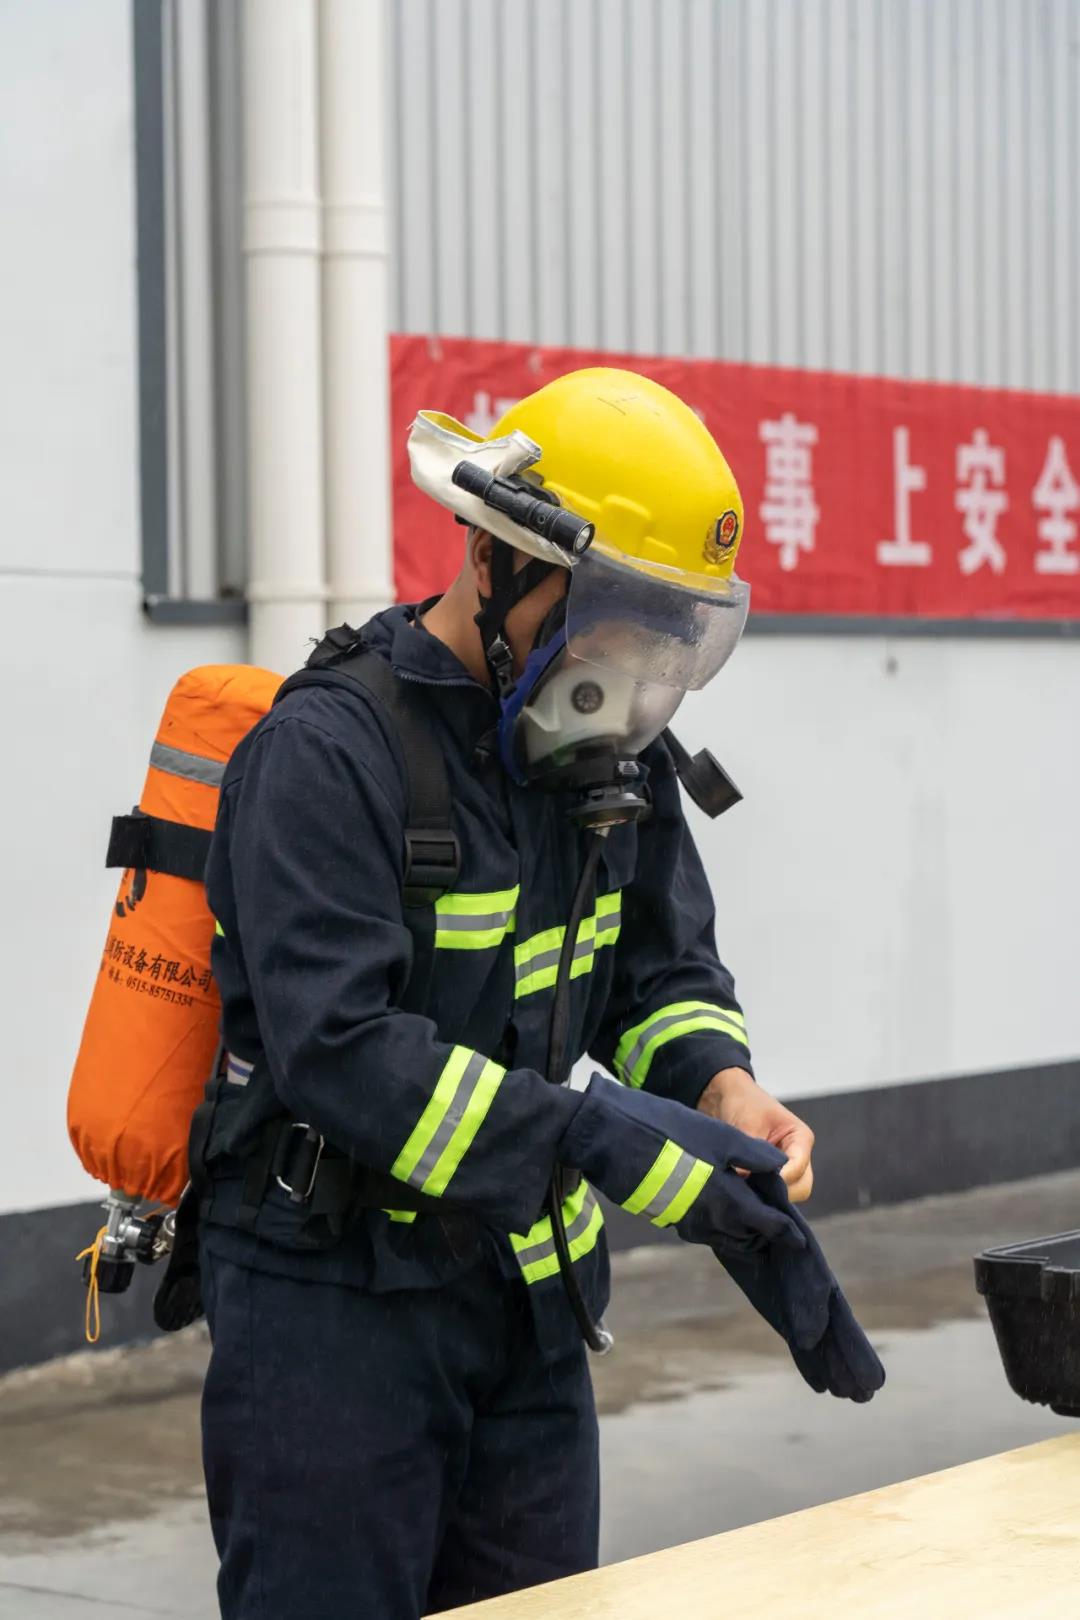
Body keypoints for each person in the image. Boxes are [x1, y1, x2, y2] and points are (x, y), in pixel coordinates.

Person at [195, 368, 882, 1620]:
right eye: (620, 617)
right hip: (332, 1317)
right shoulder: (325, 754)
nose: (640, 664)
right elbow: (341, 1050)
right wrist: (583, 1134)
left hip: (528, 1312)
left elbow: (660, 971)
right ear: (500, 560)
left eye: (673, 632)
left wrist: (722, 1087)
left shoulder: (602, 752)